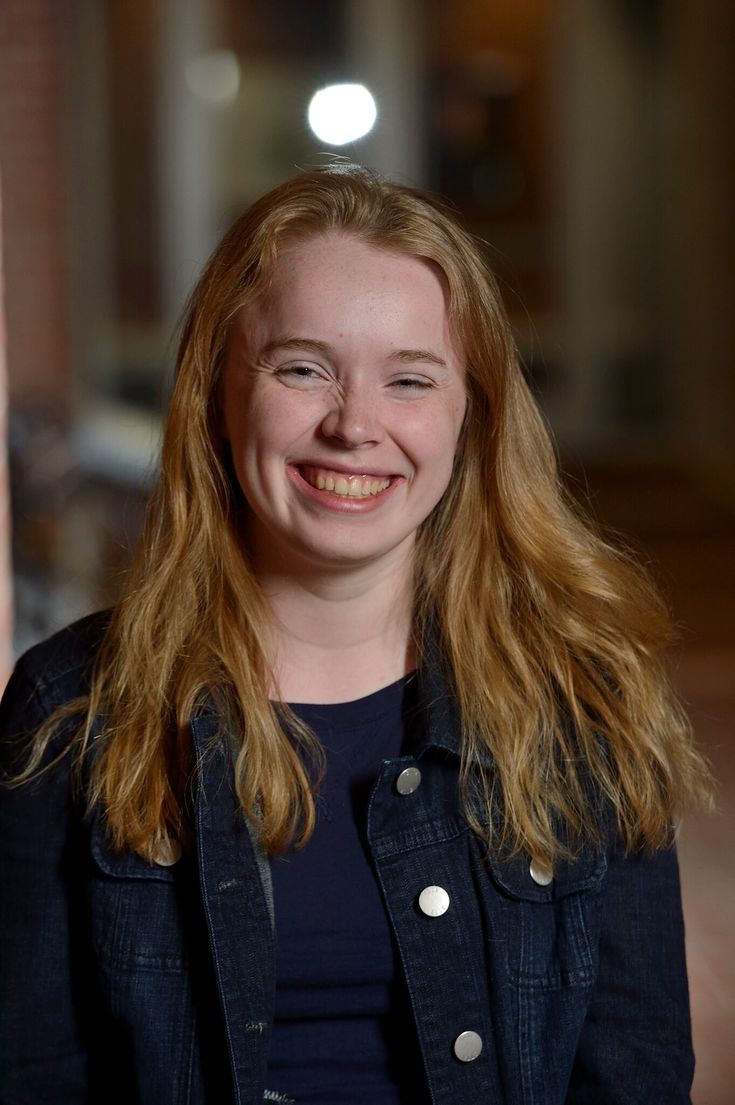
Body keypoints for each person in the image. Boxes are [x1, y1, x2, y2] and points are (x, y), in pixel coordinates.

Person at [0, 165, 713, 1105]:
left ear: (472, 417)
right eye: (302, 368)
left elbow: (635, 1077)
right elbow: (30, 1076)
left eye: (409, 379)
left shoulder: (585, 705)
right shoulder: (72, 706)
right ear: (218, 393)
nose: (353, 425)